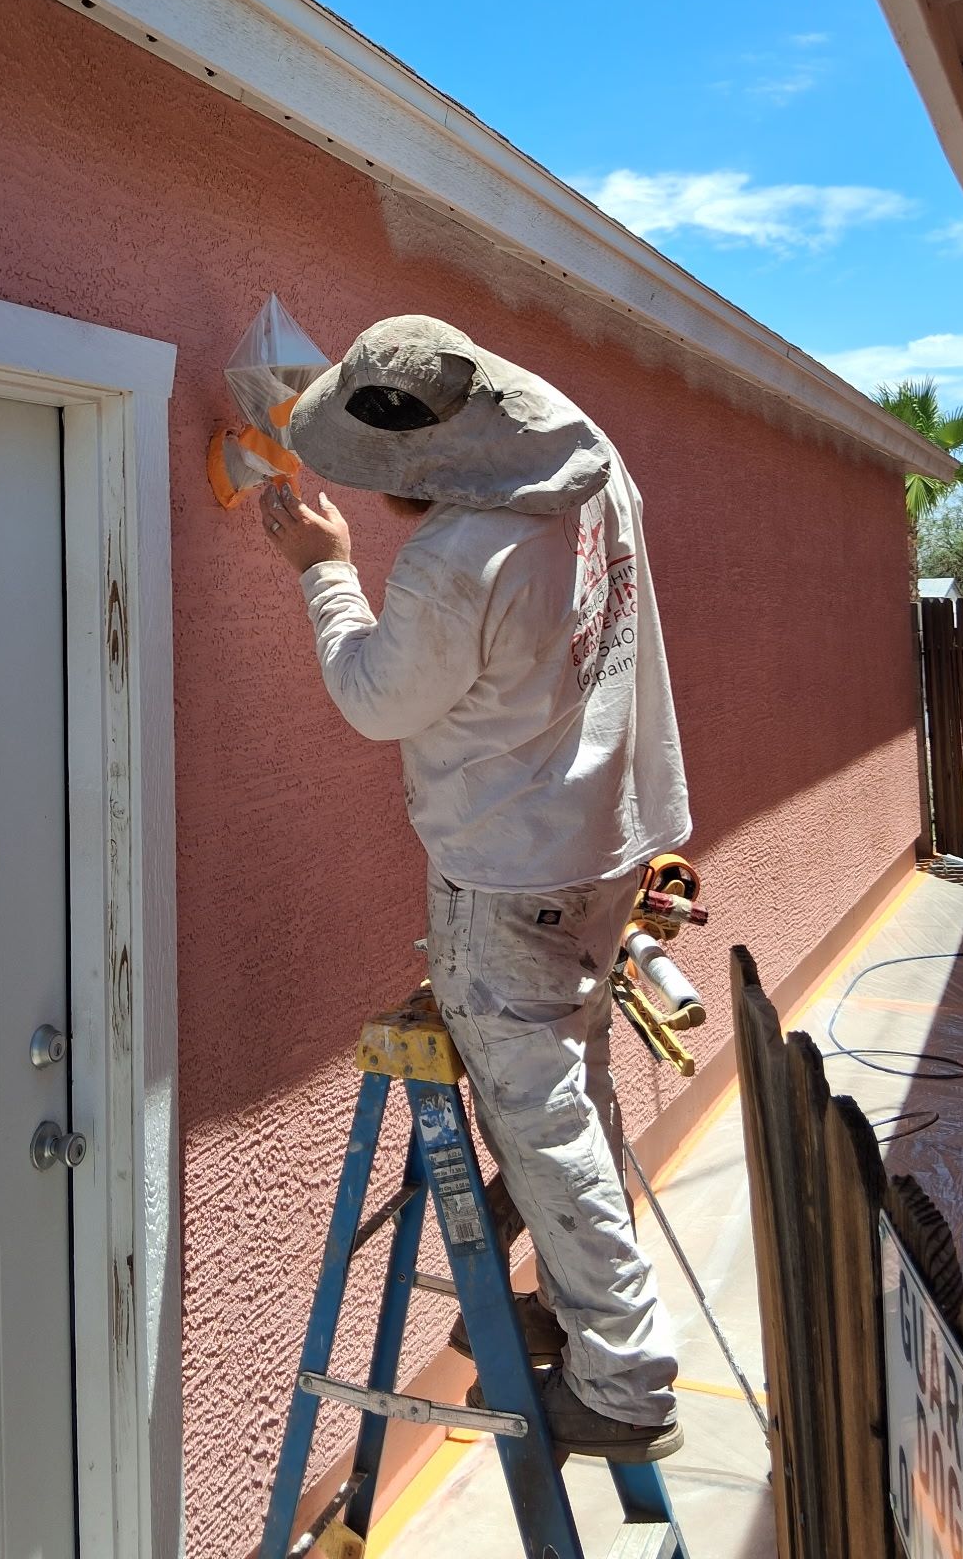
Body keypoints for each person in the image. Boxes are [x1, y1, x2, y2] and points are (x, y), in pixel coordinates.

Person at [260, 314, 691, 1463]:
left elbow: (374, 697)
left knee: (543, 1119)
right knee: (572, 1086)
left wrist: (326, 569)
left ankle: (625, 1379)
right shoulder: (590, 461)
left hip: (507, 874)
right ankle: (589, 1301)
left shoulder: (460, 557)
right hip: (604, 846)